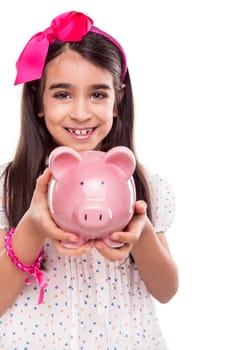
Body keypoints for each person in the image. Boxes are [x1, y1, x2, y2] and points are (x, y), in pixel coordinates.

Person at [0, 11, 178, 349]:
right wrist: (33, 227)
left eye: (97, 94)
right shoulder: (9, 185)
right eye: (63, 95)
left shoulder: (143, 184)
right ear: (38, 100)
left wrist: (140, 236)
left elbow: (167, 290)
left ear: (117, 100)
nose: (81, 112)